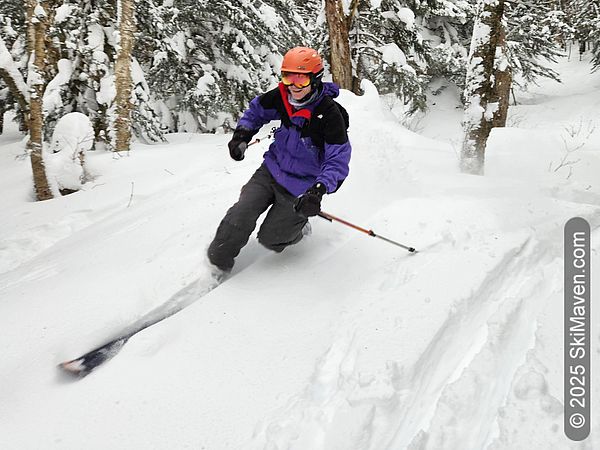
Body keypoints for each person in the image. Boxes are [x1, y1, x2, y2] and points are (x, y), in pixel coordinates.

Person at [207, 46, 352, 273]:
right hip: (271, 170)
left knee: (271, 238)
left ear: (315, 80)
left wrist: (317, 191)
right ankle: (216, 266)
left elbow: (337, 161)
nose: (293, 86)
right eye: (288, 77)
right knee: (241, 214)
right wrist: (242, 135)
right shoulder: (283, 96)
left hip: (301, 186)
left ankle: (300, 228)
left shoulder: (329, 115)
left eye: (301, 80)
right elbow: (256, 111)